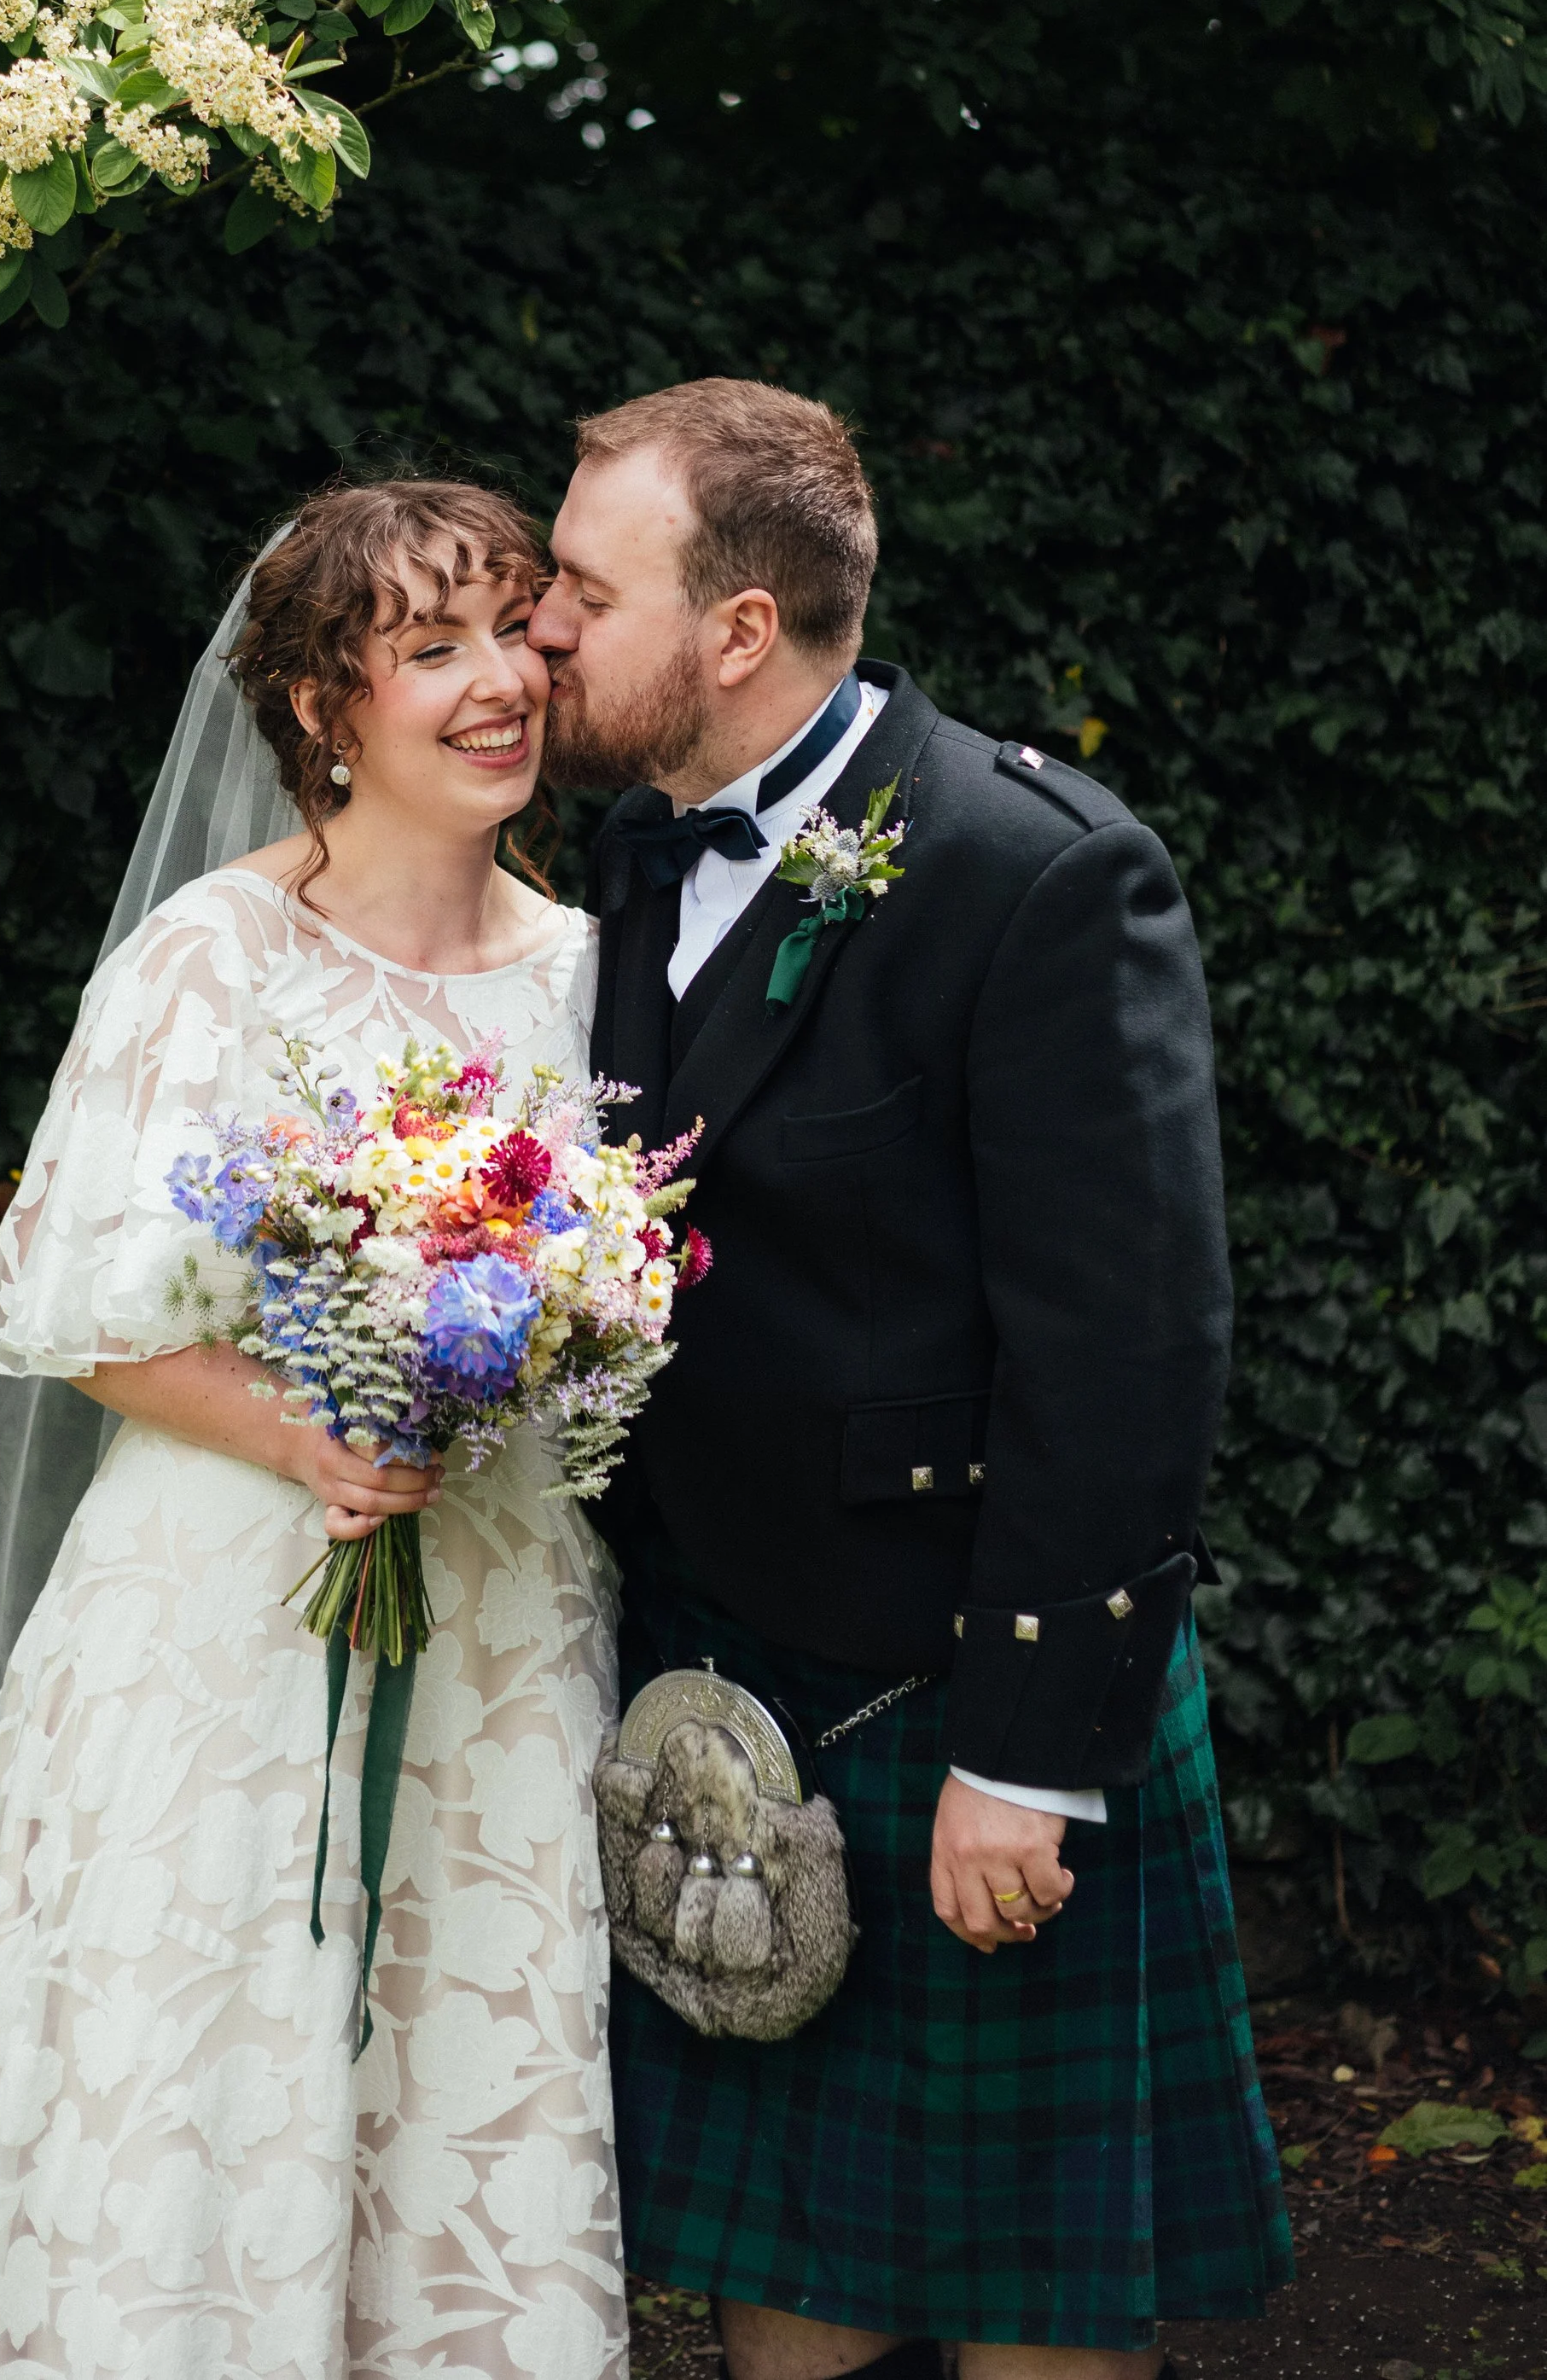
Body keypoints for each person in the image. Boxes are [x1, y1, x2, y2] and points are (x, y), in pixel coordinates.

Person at [0, 480, 628, 2380]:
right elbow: (75, 1314)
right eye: (430, 652)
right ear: (324, 710)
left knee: (456, 2067)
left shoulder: (580, 968)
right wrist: (309, 1437)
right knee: (197, 2054)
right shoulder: (210, 958)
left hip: (489, 1621)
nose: (498, 685)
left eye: (511, 631)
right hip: (222, 1616)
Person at [528, 378, 1292, 2380]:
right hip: (727, 1683)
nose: (539, 625)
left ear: (736, 631)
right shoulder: (622, 855)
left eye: (581, 591)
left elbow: (1122, 1347)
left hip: (960, 1686)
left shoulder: (1029, 872)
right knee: (790, 2301)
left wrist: (1025, 1756)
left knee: (1032, 2317)